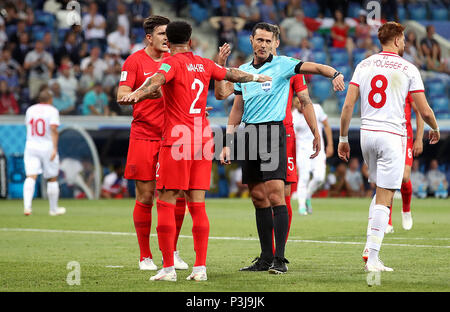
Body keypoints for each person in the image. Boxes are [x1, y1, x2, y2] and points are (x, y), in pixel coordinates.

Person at [119, 20, 271, 282]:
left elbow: (156, 81)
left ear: (170, 42)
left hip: (177, 139)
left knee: (165, 200)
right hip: (203, 138)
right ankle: (200, 268)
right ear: (191, 40)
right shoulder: (204, 63)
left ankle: (167, 268)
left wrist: (138, 94)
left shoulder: (172, 63)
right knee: (197, 204)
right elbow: (233, 74)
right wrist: (257, 76)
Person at [218, 22, 344, 274]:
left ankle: (280, 259)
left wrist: (335, 73)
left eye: (268, 41)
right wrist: (228, 143)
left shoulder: (285, 64)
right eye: (259, 40)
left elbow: (316, 67)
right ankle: (265, 258)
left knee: (276, 194)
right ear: (251, 41)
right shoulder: (242, 70)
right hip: (249, 133)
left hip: (273, 132)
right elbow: (235, 107)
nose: (263, 44)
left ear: (275, 43)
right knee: (257, 197)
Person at [338, 22, 440, 272]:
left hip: (366, 135)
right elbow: (424, 110)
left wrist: (342, 138)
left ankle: (368, 247)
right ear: (396, 40)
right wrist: (435, 128)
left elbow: (349, 105)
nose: (405, 43)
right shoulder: (408, 68)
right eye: (403, 38)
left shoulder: (364, 65)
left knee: (378, 191)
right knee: (385, 197)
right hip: (391, 136)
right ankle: (372, 258)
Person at [116, 16, 189, 272]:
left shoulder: (177, 60)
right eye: (161, 34)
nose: (167, 38)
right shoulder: (135, 61)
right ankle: (145, 256)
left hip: (173, 137)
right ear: (149, 37)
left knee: (176, 195)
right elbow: (122, 94)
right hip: (145, 135)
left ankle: (173, 252)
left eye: (168, 33)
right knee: (146, 196)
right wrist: (145, 92)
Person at [23, 89, 66, 216]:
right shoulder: (52, 111)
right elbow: (53, 129)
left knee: (30, 176)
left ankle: (27, 207)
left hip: (31, 145)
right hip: (47, 146)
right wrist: (55, 148)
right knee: (52, 178)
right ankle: (53, 209)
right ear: (51, 99)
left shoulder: (30, 110)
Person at [387, 93, 424, 233]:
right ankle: (387, 221)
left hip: (405, 137)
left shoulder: (406, 86)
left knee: (404, 177)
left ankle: (406, 210)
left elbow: (419, 111)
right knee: (387, 178)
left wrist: (419, 138)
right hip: (387, 136)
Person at [293, 101, 334, 214]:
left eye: (299, 102)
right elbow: (293, 138)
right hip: (302, 150)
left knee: (320, 178)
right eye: (295, 103)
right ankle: (301, 207)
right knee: (304, 177)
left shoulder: (317, 108)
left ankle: (307, 196)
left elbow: (326, 125)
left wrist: (330, 144)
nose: (298, 105)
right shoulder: (293, 116)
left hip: (318, 148)